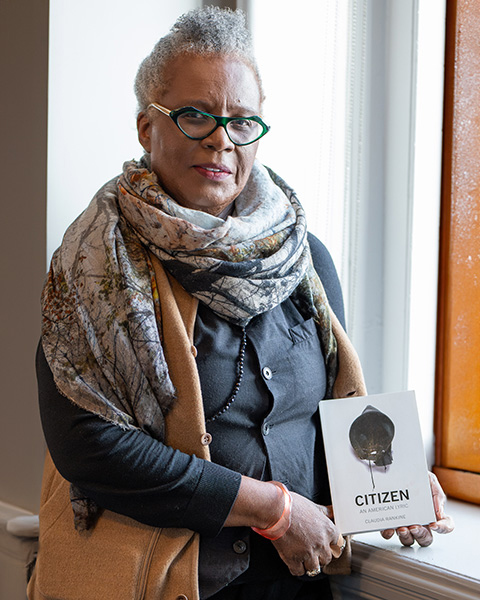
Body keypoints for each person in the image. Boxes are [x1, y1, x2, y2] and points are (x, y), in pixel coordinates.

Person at [28, 7, 453, 600]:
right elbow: (89, 447)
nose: (221, 140)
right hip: (152, 581)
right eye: (196, 116)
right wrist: (272, 511)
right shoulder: (93, 268)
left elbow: (326, 423)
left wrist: (395, 483)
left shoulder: (303, 257)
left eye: (242, 121)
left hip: (294, 583)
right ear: (146, 128)